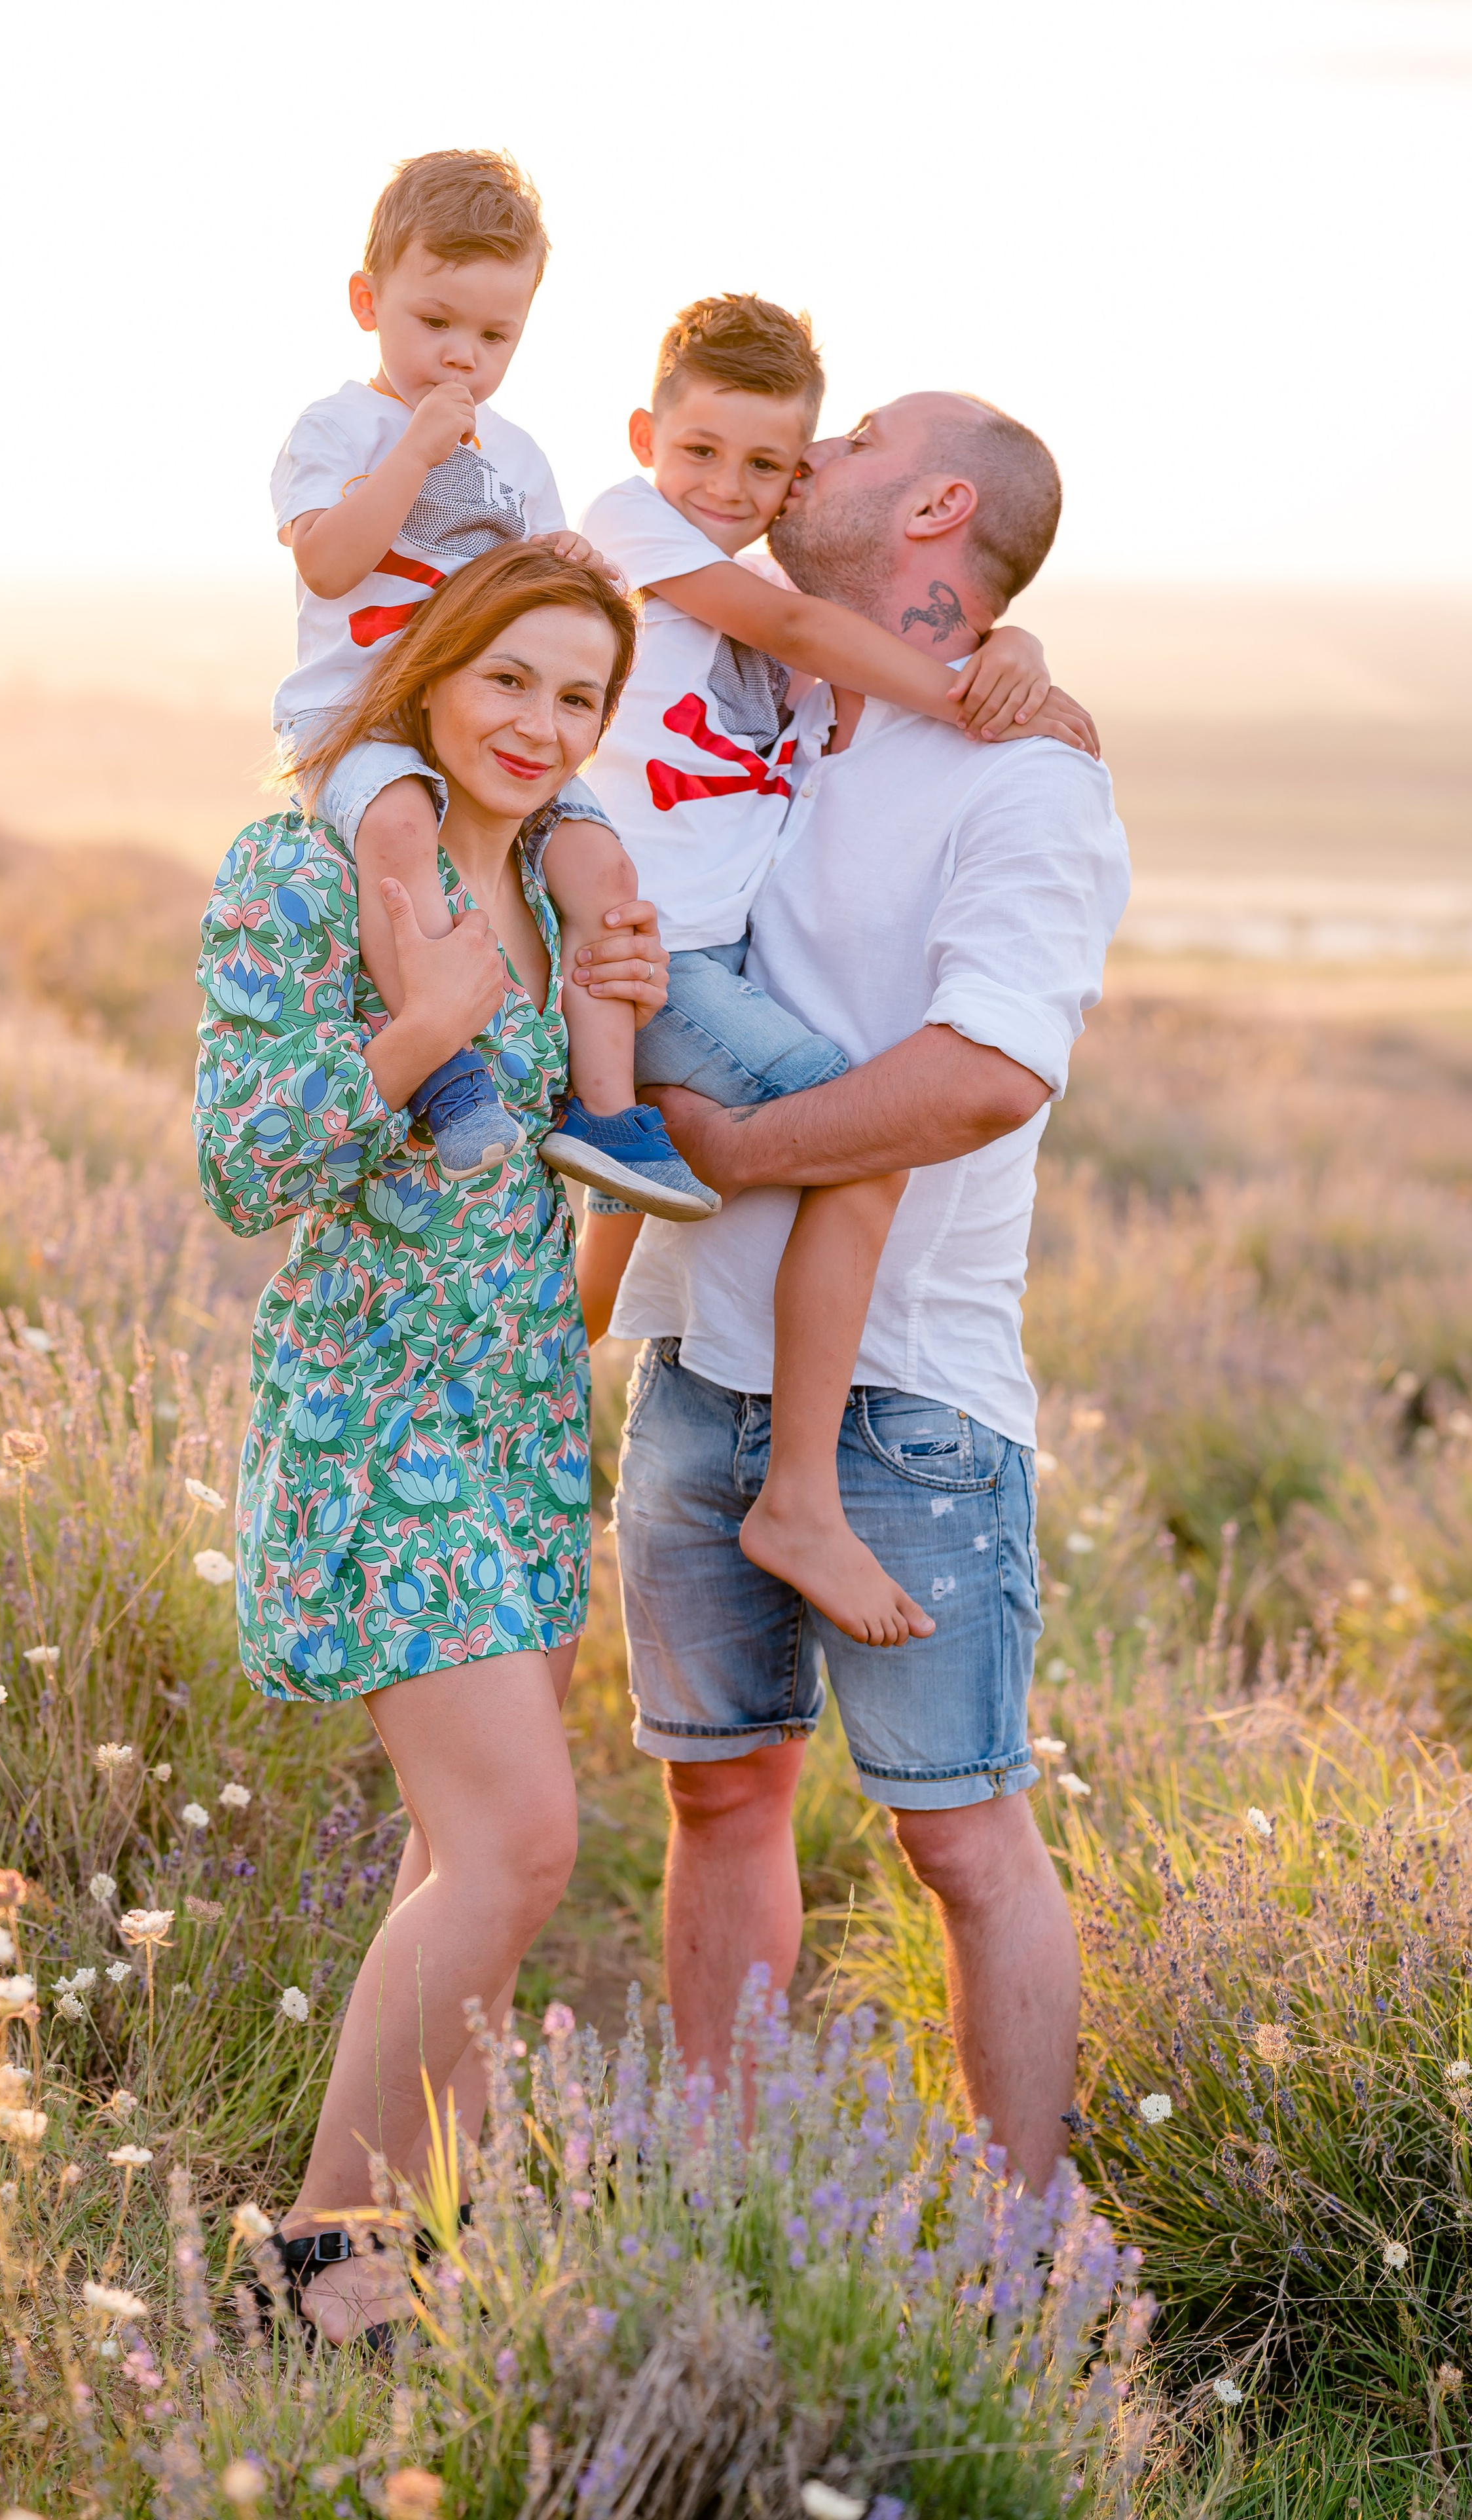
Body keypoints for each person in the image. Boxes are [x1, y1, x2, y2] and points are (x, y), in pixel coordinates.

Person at [606, 392, 1132, 2193]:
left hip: (910, 1393)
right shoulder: (775, 704)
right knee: (718, 1795)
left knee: (964, 1842)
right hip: (698, 1367)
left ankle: (1030, 2240)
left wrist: (744, 1155)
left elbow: (989, 1068)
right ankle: (719, 2191)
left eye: (852, 440)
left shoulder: (1030, 776)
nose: (803, 460)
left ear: (941, 502)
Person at [194, 544, 666, 2344]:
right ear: (430, 675)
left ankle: (416, 2248)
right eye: (513, 680)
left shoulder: (567, 886)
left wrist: (619, 1030)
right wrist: (425, 1032)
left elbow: (597, 1176)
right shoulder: (301, 873)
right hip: (374, 1404)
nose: (542, 725)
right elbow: (249, 1170)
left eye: (581, 698)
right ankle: (316, 2258)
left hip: (527, 1406)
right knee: (520, 1846)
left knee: (461, 1854)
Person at [565, 294, 1097, 1649]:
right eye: (714, 455)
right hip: (660, 972)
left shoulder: (812, 689)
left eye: (819, 448)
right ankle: (772, 1484)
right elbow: (814, 634)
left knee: (665, 1173)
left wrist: (1008, 661)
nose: (773, 481)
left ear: (933, 505)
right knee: (856, 1132)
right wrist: (976, 684)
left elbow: (829, 648)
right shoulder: (650, 537)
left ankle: (557, 1396)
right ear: (647, 439)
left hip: (908, 1386)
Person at [271, 146, 714, 1217]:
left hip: (485, 722)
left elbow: (536, 584)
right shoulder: (336, 431)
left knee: (601, 863)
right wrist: (414, 455)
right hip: (363, 725)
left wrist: (582, 571)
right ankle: (446, 1072)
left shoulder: (517, 451)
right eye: (435, 324)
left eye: (494, 336)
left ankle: (605, 1115)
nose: (461, 358)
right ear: (367, 302)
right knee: (396, 834)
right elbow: (329, 562)